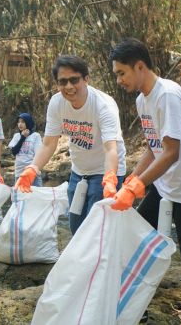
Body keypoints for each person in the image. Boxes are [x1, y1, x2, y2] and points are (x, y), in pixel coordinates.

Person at [110, 38, 181, 325]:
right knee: (135, 240)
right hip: (165, 184)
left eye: (121, 73)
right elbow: (153, 146)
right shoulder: (142, 99)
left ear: (140, 66)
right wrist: (131, 179)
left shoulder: (167, 95)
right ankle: (136, 309)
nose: (119, 80)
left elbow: (171, 152)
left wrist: (137, 187)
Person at [15, 55, 126, 235]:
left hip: (104, 172)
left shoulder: (103, 105)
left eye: (74, 80)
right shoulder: (57, 103)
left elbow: (110, 148)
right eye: (63, 82)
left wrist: (111, 179)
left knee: (96, 230)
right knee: (76, 227)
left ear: (86, 79)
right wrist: (33, 168)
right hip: (79, 171)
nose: (68, 86)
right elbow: (49, 143)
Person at [8, 113, 42, 186]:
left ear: (28, 122)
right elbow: (14, 152)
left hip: (32, 173)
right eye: (19, 122)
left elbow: (38, 154)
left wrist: (32, 168)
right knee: (20, 196)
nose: (20, 124)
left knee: (36, 196)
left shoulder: (36, 136)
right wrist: (22, 138)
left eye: (23, 122)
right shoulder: (16, 136)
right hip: (19, 173)